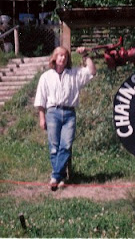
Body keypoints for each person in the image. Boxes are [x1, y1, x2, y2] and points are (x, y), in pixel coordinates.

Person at [34, 46, 96, 191]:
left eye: (65, 56)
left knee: (66, 146)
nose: (63, 58)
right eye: (60, 55)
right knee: (54, 147)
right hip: (52, 113)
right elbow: (40, 99)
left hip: (69, 114)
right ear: (54, 57)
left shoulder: (74, 74)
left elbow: (92, 71)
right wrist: (42, 118)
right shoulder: (46, 76)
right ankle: (60, 178)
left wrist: (86, 56)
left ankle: (55, 176)